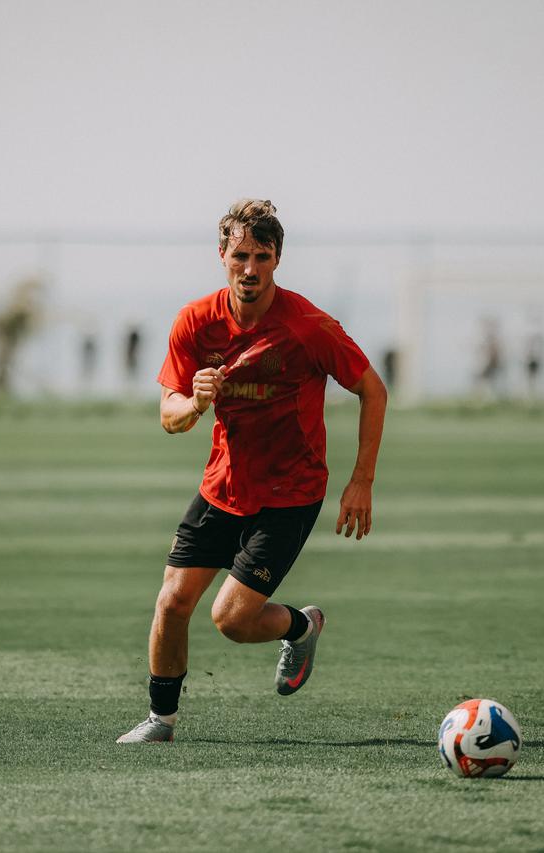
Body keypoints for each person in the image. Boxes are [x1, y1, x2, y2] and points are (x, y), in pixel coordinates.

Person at [117, 199, 387, 744]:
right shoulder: (195, 321)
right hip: (223, 486)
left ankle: (302, 626)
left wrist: (362, 480)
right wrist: (193, 404)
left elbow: (371, 389)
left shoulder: (308, 326)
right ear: (222, 256)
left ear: (277, 260)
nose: (250, 268)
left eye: (261, 256)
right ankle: (161, 721)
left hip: (291, 493)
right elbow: (169, 416)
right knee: (171, 602)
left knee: (233, 621)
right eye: (240, 255)